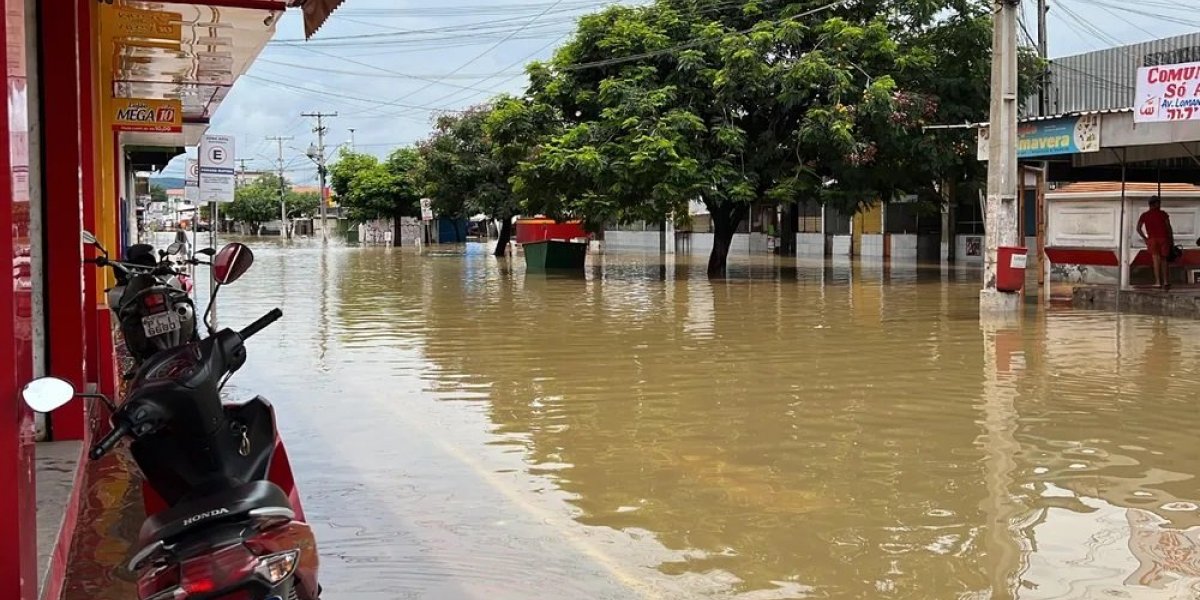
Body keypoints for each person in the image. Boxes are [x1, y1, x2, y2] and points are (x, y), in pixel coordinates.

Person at [1136, 196, 1174, 289]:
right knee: (1164, 260)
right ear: (1155, 204)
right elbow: (1168, 227)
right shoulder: (1163, 214)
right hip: (1163, 238)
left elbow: (1138, 228)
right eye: (1158, 203)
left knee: (1156, 261)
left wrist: (1145, 238)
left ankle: (1157, 282)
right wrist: (1171, 239)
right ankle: (1165, 281)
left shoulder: (1145, 215)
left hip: (1152, 239)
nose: (1160, 205)